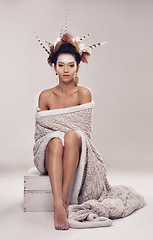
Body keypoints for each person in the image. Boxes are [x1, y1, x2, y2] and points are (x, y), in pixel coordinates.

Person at [35, 32, 106, 230]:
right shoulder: (46, 96)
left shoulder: (83, 93)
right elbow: (42, 133)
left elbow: (83, 130)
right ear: (54, 67)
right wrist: (56, 136)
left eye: (71, 65)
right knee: (56, 140)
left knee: (72, 134)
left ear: (77, 67)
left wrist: (66, 133)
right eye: (61, 65)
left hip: (76, 151)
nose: (66, 70)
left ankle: (63, 200)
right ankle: (58, 204)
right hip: (50, 154)